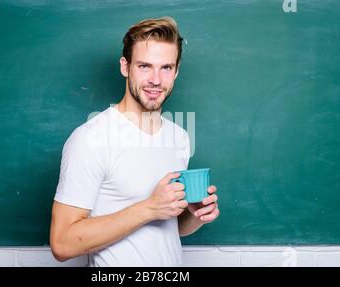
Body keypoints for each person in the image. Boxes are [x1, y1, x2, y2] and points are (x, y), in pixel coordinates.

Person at [50, 16, 219, 267]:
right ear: (125, 66)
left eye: (166, 68)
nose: (156, 80)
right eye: (144, 66)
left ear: (176, 71)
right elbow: (62, 244)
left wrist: (194, 215)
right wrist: (149, 208)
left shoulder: (179, 138)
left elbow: (169, 228)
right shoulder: (91, 138)